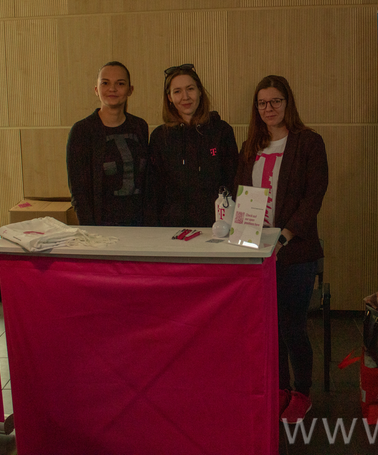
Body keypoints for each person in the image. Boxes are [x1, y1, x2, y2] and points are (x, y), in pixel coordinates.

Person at [235, 75, 328, 424]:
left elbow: (313, 196)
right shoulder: (250, 146)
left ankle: (302, 392)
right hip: (257, 251)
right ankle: (280, 389)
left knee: (292, 327)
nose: (269, 108)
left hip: (295, 251)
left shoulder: (308, 142)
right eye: (262, 103)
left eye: (275, 101)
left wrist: (285, 236)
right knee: (268, 328)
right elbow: (241, 191)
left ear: (287, 103)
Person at [146, 64, 237, 227]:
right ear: (169, 97)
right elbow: (154, 190)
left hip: (217, 227)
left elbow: (232, 180)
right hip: (172, 230)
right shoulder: (160, 137)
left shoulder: (221, 131)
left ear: (200, 91)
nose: (185, 97)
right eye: (177, 91)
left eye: (190, 89)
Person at [67, 61, 148, 226]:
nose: (112, 89)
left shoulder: (139, 126)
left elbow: (147, 180)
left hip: (140, 226)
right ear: (96, 90)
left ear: (130, 90)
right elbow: (78, 191)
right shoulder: (82, 130)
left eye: (120, 83)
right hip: (101, 226)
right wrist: (91, 231)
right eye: (105, 83)